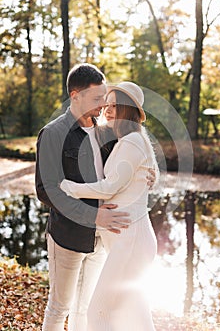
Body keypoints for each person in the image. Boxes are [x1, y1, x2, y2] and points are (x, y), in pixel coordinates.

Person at [35, 64, 155, 331]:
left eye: (105, 98)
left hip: (102, 238)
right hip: (68, 236)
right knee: (59, 307)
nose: (103, 105)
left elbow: (135, 153)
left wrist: (150, 175)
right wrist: (93, 214)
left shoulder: (105, 131)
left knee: (87, 308)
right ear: (75, 96)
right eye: (97, 99)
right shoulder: (53, 134)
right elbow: (46, 189)